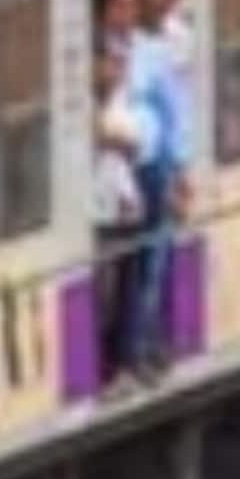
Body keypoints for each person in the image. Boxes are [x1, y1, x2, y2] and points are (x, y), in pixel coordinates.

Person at [118, 0, 193, 386]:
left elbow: (177, 110)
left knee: (153, 261)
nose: (165, 2)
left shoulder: (172, 43)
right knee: (136, 263)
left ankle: (147, 346)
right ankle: (134, 350)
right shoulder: (124, 42)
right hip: (127, 164)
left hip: (155, 163)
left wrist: (180, 170)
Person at [91, 36, 154, 399]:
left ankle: (126, 364)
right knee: (104, 295)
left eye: (119, 65)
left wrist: (109, 137)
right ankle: (107, 369)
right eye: (109, 63)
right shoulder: (87, 105)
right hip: (99, 212)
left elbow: (133, 144)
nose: (115, 72)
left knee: (126, 290)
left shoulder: (121, 103)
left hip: (124, 207)